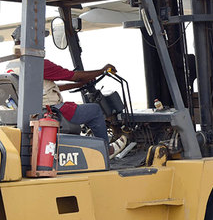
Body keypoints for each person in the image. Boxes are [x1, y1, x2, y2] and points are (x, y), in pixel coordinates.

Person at [11, 28, 127, 157]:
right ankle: (106, 151)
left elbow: (46, 88)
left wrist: (78, 85)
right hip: (51, 111)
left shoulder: (13, 65)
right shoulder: (39, 63)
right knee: (94, 110)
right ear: (32, 41)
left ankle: (92, 148)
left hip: (35, 110)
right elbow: (73, 75)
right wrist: (102, 70)